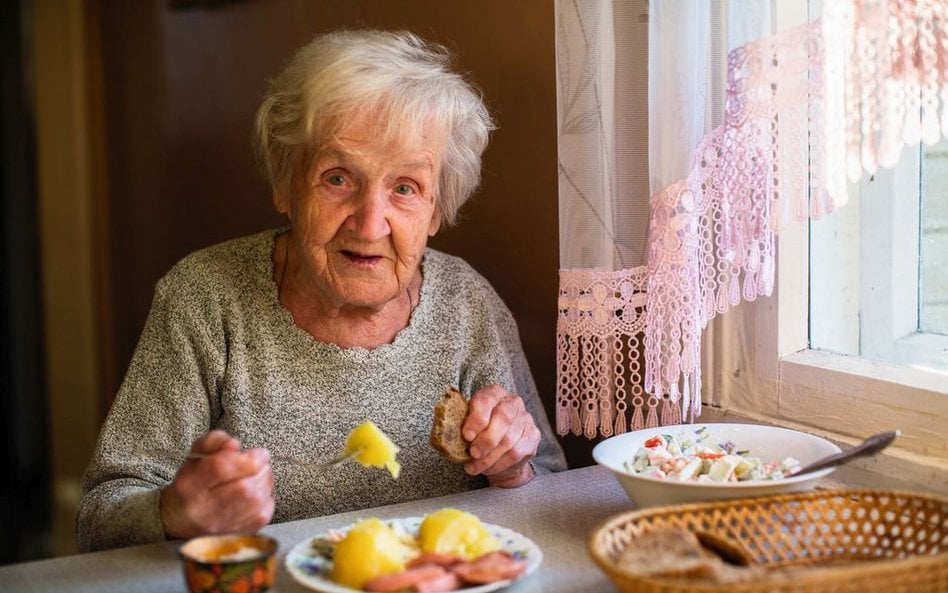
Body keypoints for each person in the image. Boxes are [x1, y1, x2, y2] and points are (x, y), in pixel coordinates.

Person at [77, 29, 567, 552]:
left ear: (437, 211)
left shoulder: (467, 303)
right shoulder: (203, 298)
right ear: (286, 184)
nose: (369, 222)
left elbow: (548, 493)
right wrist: (173, 513)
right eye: (338, 179)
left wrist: (512, 469)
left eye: (405, 188)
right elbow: (99, 520)